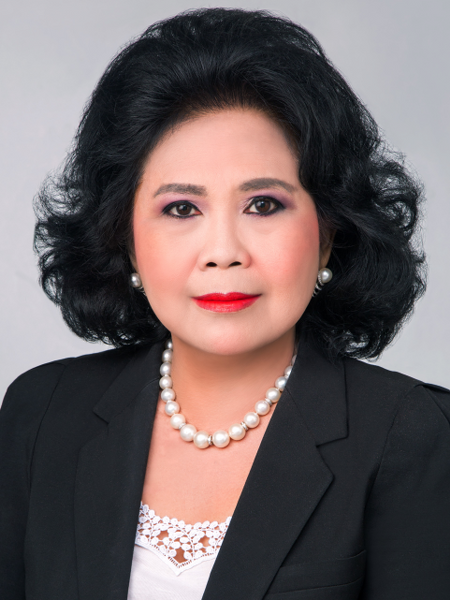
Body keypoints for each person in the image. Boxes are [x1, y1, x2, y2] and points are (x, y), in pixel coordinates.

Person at [1, 7, 449, 600]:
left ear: (328, 234)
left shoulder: (412, 435)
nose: (223, 253)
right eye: (181, 209)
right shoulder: (41, 413)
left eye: (263, 205)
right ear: (125, 239)